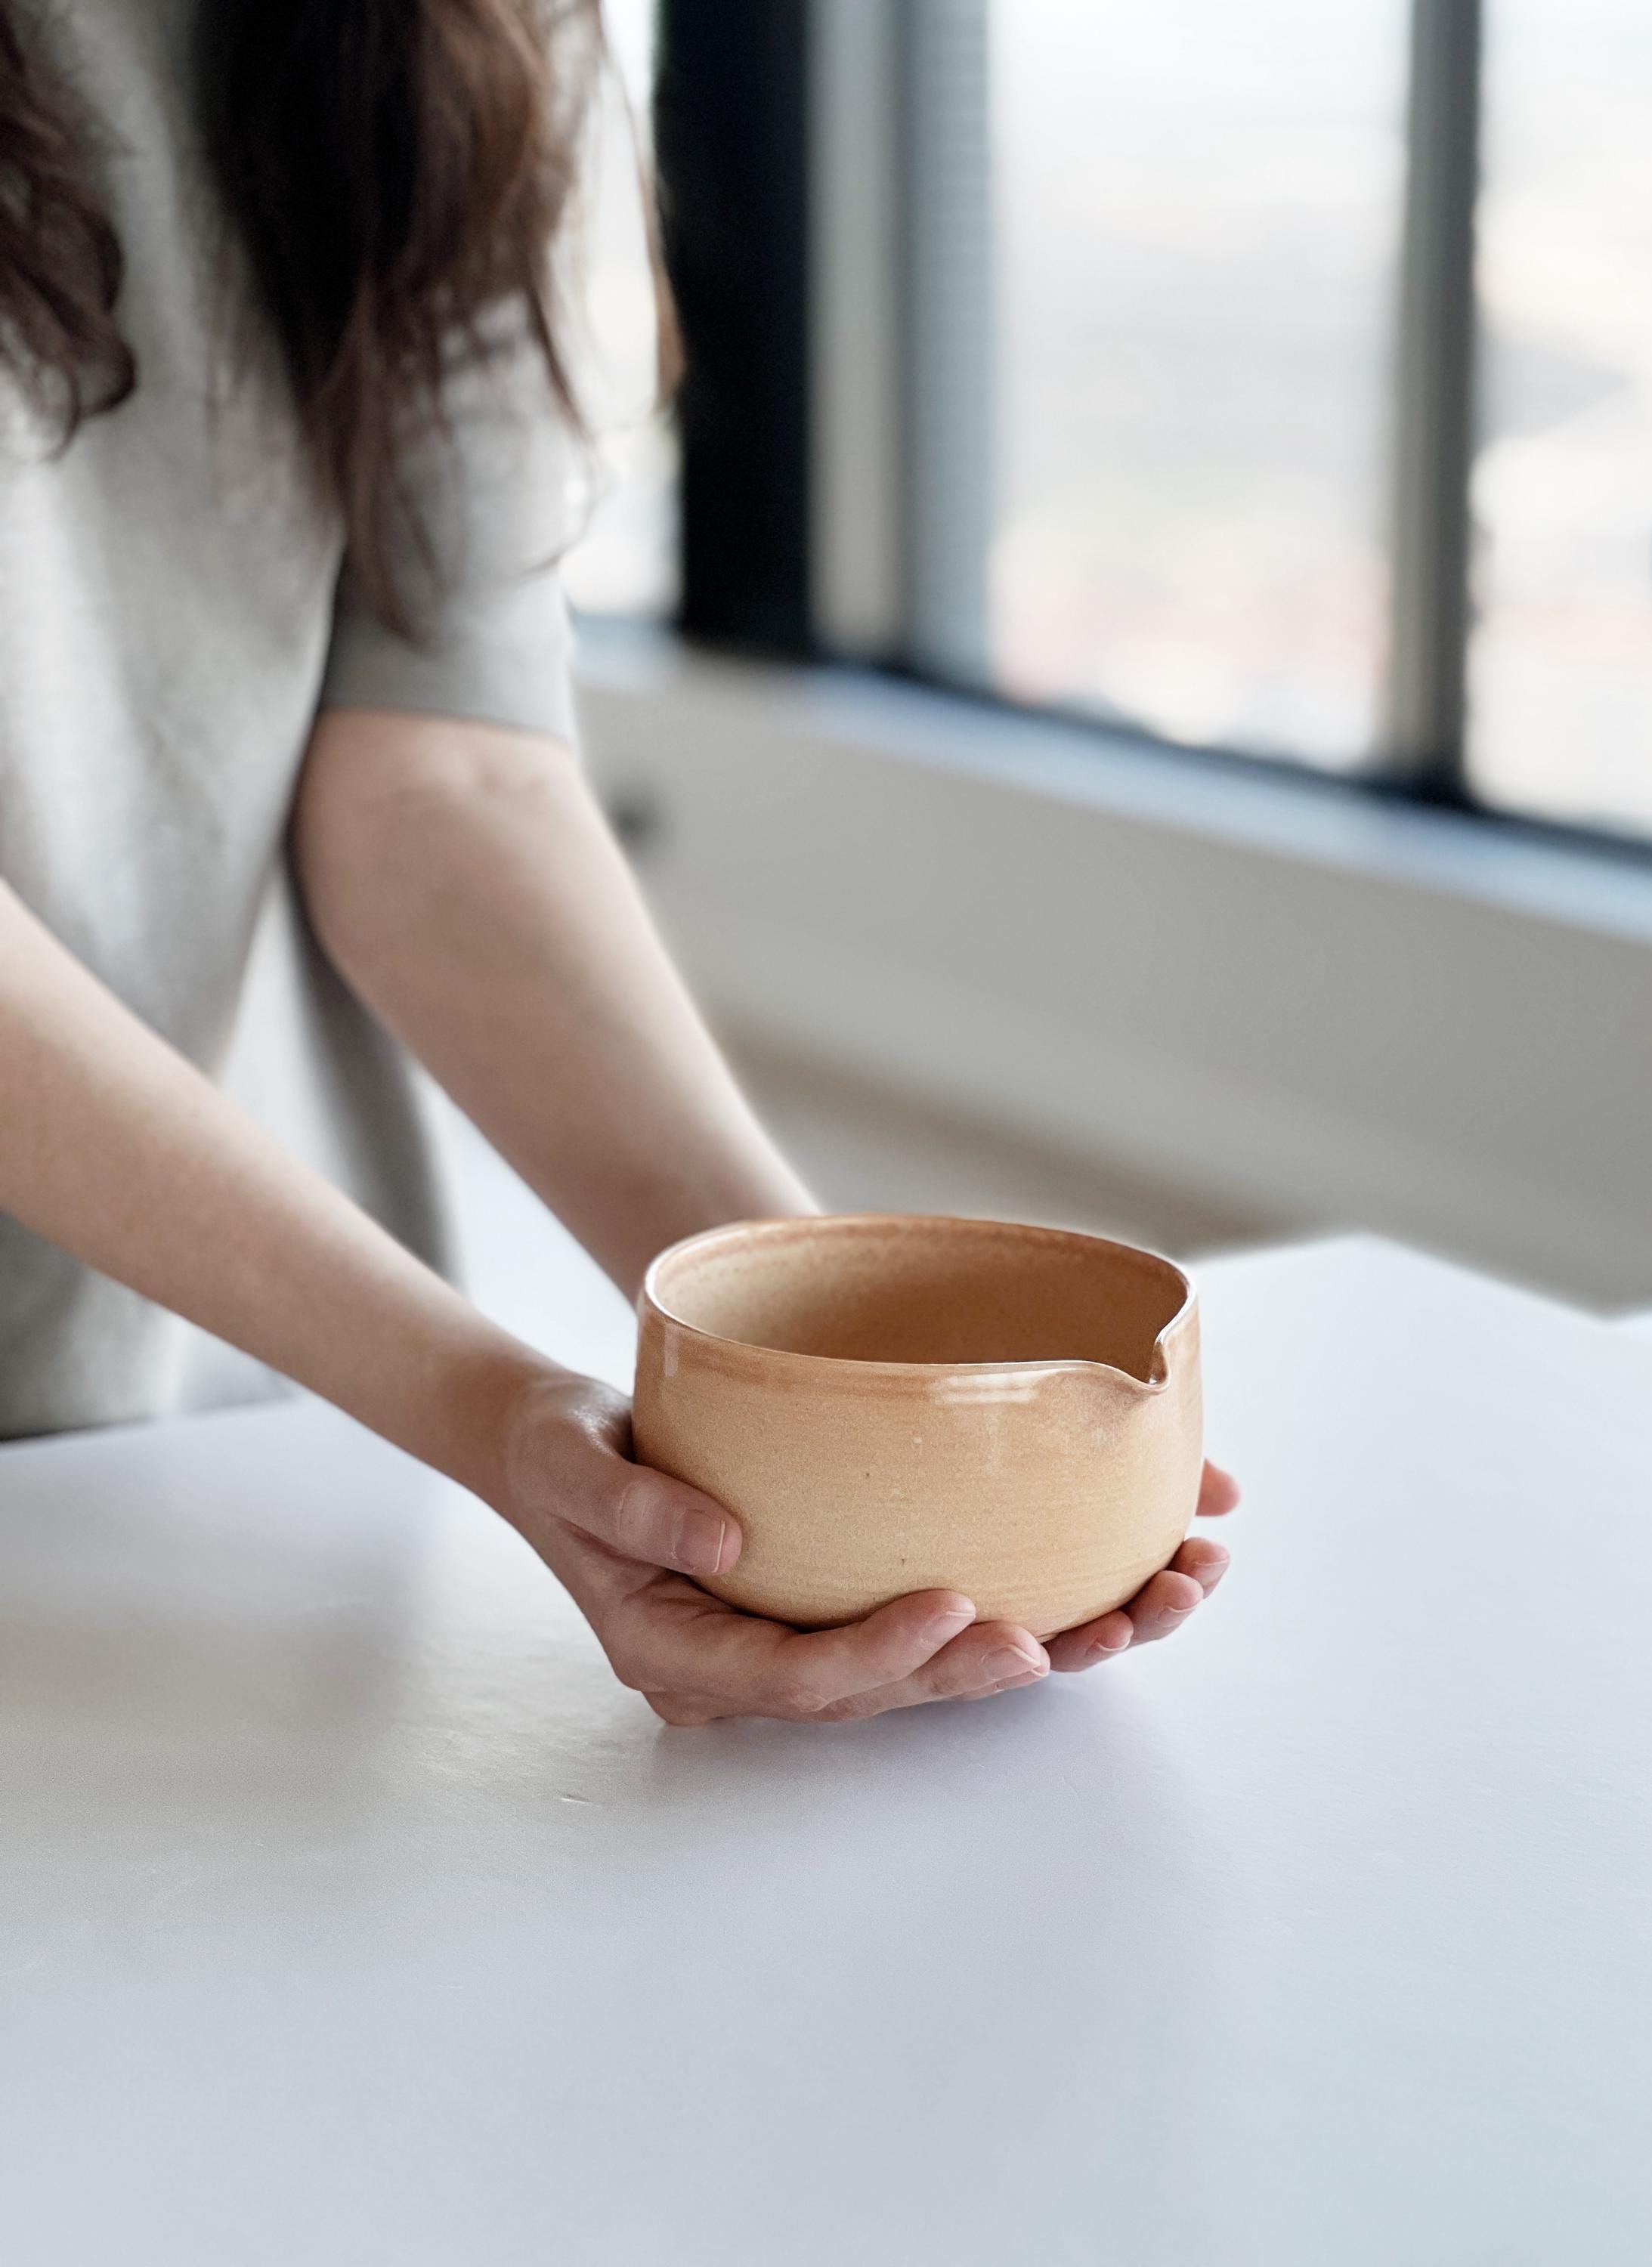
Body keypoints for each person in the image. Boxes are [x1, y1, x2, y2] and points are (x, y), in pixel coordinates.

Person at [0, 0, 1233, 1726]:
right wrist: (490, 1410)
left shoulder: (471, 37)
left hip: (220, 1439)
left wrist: (821, 1374)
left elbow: (442, 777)